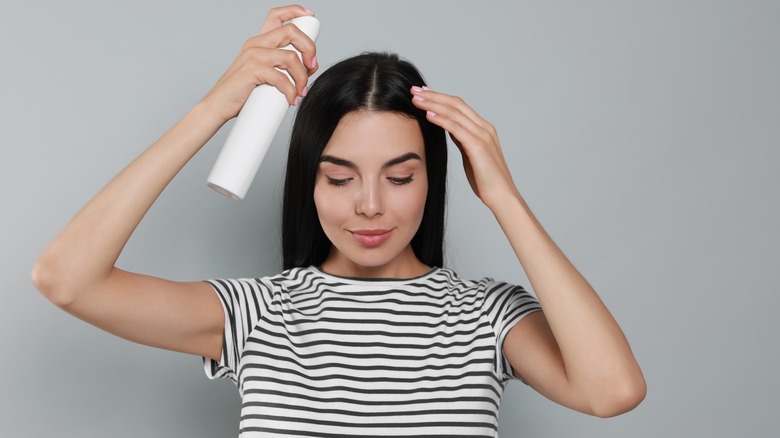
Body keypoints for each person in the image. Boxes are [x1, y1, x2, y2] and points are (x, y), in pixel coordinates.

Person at [32, 4, 646, 437]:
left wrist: (504, 196)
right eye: (340, 177)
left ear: (432, 180)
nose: (370, 205)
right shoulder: (260, 313)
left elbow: (611, 391)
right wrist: (213, 109)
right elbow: (66, 278)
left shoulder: (487, 316)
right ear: (309, 180)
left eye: (400, 177)